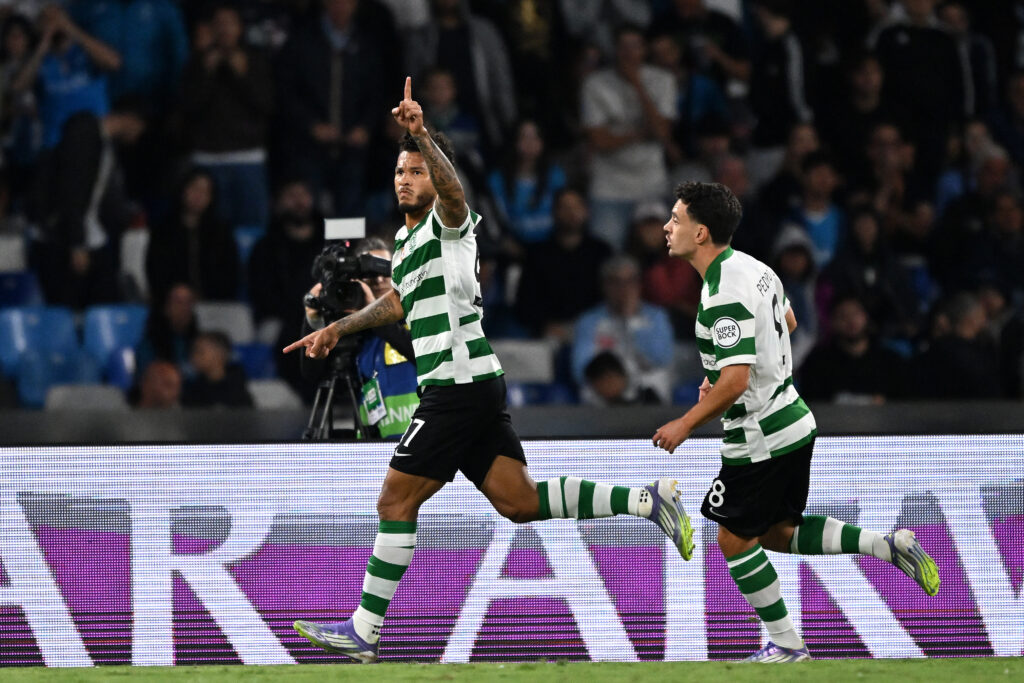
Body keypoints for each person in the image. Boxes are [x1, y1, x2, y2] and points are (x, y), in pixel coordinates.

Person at [283, 78, 695, 662]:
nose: (406, 179)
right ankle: (648, 501)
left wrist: (423, 136)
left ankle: (363, 631)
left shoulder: (450, 221)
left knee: (394, 502)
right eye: (401, 172)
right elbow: (399, 303)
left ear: (437, 173)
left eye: (417, 171)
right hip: (473, 384)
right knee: (518, 501)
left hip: (455, 387)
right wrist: (337, 328)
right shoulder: (404, 242)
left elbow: (452, 193)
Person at [652, 181, 939, 663]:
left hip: (760, 434)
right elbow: (787, 323)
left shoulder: (720, 293)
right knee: (776, 532)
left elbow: (737, 381)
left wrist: (686, 421)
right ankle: (885, 545)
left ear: (701, 233)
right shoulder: (757, 268)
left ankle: (787, 646)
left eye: (676, 219)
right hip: (794, 419)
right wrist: (730, 372)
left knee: (732, 538)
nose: (667, 226)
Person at [301, 236, 418, 439]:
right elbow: (311, 375)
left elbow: (420, 353)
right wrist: (313, 321)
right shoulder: (349, 329)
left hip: (419, 444)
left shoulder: (417, 313)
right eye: (370, 274)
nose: (379, 279)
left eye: (384, 271)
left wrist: (373, 312)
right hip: (370, 446)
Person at [181, 331, 253, 408]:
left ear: (220, 354)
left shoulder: (237, 388)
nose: (194, 357)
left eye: (200, 352)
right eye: (193, 352)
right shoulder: (193, 390)